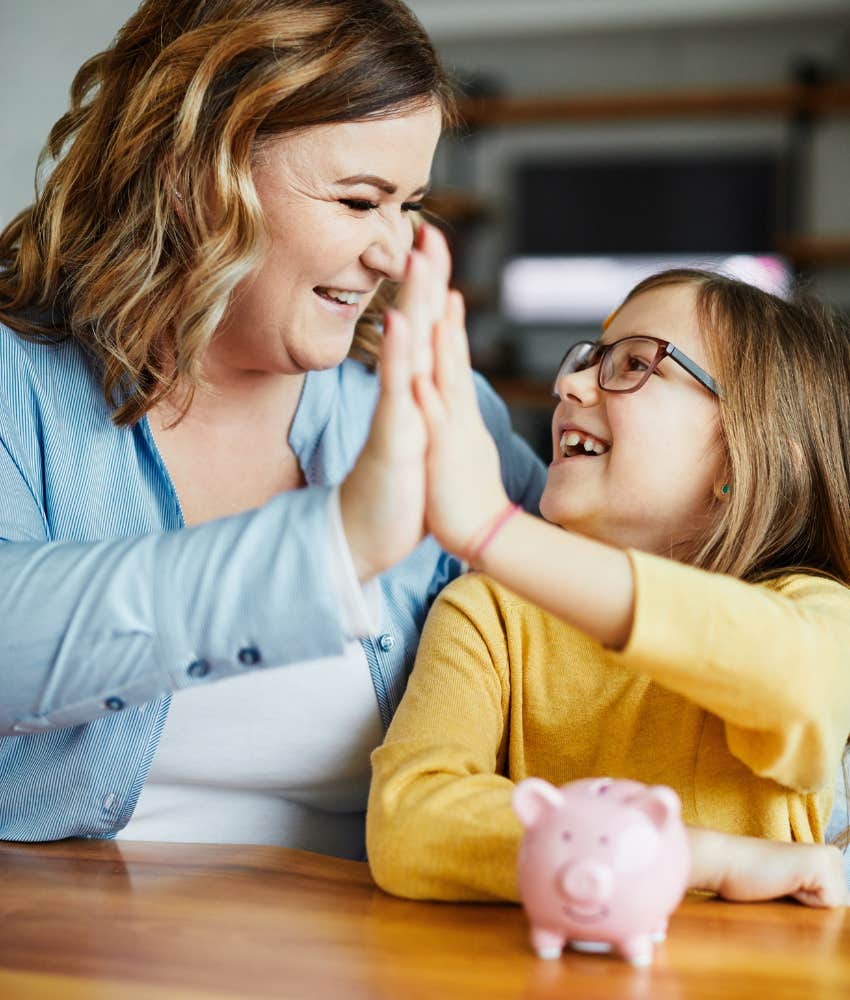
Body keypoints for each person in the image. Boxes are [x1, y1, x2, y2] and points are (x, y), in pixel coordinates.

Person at [0, 0, 545, 855]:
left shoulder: (434, 403)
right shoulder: (16, 381)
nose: (395, 253)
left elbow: (606, 636)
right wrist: (333, 545)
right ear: (191, 178)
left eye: (408, 204)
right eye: (359, 200)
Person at [367, 267, 850, 906]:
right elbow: (410, 820)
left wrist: (496, 531)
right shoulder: (491, 611)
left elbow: (797, 683)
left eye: (635, 364)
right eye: (588, 360)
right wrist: (689, 857)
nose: (568, 385)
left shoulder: (815, 609)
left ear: (746, 455)